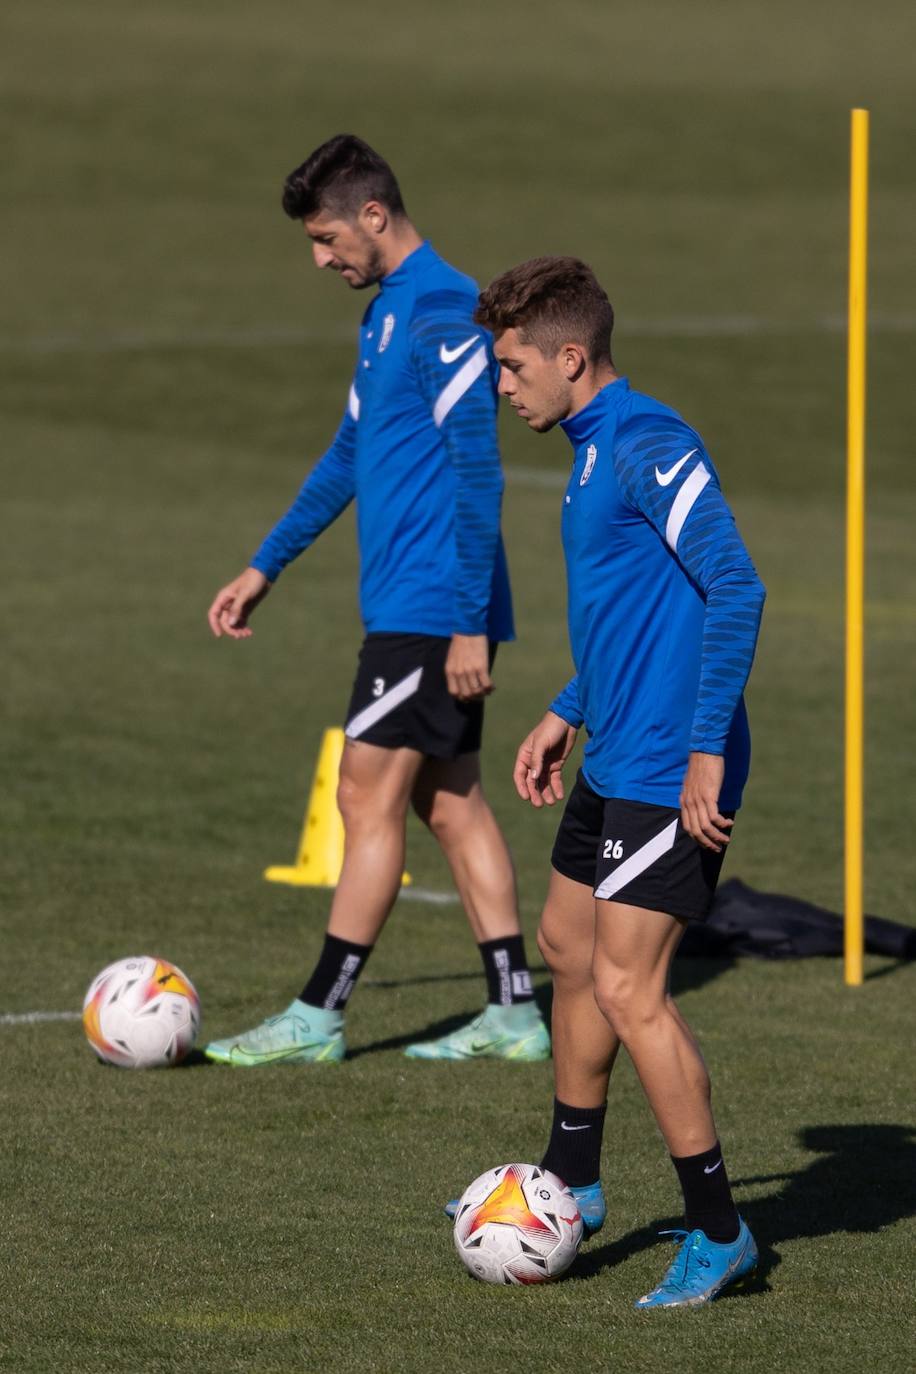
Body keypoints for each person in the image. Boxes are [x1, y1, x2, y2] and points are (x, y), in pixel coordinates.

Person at [448, 256, 766, 1307]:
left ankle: (718, 1232)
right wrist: (565, 707)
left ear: (569, 358)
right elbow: (641, 614)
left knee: (631, 987)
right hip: (617, 740)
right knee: (566, 950)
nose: (502, 385)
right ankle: (572, 1183)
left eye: (510, 365)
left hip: (672, 763)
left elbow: (734, 584)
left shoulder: (646, 442)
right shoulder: (590, 450)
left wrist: (707, 747)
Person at [204, 136, 549, 1069]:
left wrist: (470, 619)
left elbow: (481, 470)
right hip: (417, 601)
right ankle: (516, 1013)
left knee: (365, 794)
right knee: (451, 803)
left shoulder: (440, 308)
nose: (321, 259)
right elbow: (348, 456)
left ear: (372, 216)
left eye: (325, 239)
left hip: (434, 607)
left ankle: (318, 1014)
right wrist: (264, 565)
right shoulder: (389, 313)